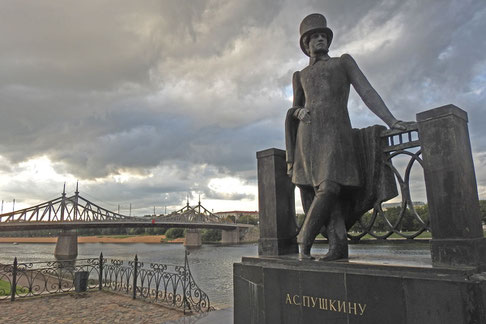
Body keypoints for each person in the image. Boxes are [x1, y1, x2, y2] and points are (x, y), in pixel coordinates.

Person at [285, 13, 406, 260]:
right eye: (314, 37)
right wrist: (297, 111)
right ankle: (337, 247)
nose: (319, 39)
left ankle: (303, 239)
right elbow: (294, 107)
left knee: (329, 187)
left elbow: (367, 91)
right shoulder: (300, 75)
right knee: (327, 193)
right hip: (307, 139)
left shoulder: (343, 62)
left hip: (336, 135)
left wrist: (392, 121)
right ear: (306, 45)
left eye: (323, 35)